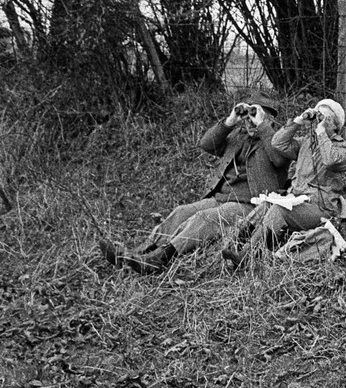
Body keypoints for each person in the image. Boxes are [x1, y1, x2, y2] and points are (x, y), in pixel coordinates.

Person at [99, 93, 290, 273]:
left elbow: (279, 158)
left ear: (269, 119)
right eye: (247, 117)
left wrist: (263, 127)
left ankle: (159, 258)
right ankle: (136, 253)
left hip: (251, 206)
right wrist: (230, 122)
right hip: (221, 197)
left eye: (254, 117)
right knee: (182, 212)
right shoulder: (238, 137)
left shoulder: (278, 140)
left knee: (204, 219)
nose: (249, 122)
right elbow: (207, 144)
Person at [221, 99, 346, 268]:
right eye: (317, 115)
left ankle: (247, 255)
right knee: (266, 205)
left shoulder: (343, 149)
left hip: (320, 208)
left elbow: (329, 160)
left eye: (324, 117)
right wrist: (299, 121)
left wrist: (321, 133)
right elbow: (278, 143)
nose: (318, 121)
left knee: (280, 210)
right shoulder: (306, 143)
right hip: (297, 200)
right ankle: (233, 245)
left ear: (335, 124)